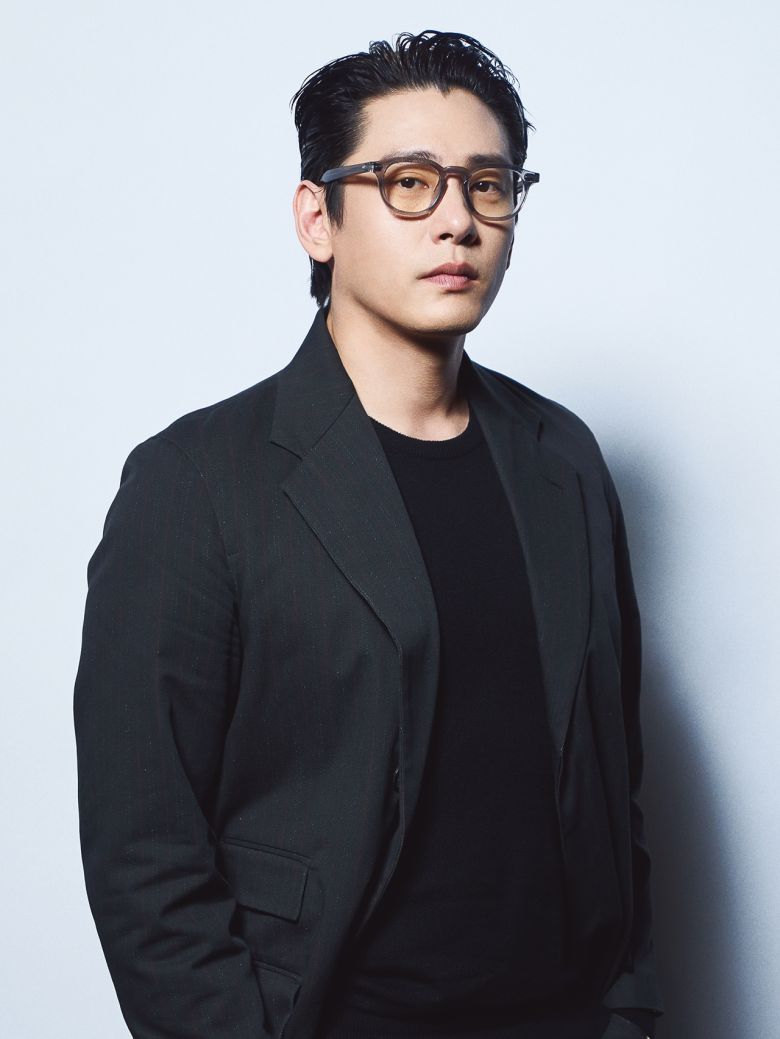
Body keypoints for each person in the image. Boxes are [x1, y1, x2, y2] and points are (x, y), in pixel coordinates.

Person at [73, 29, 664, 1039]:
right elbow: (144, 852)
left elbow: (614, 778)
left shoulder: (562, 457)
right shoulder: (197, 482)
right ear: (319, 218)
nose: (458, 220)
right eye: (409, 183)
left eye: (488, 185)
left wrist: (630, 1009)